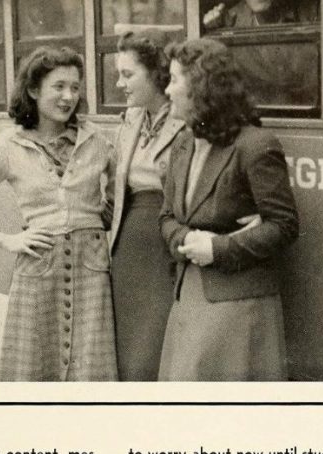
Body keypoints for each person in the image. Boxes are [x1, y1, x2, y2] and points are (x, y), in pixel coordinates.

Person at [0, 47, 117, 382]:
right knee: (31, 378)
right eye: (59, 87)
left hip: (92, 274)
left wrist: (93, 224)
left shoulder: (96, 140)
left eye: (75, 88)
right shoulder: (9, 145)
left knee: (92, 383)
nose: (69, 97)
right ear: (34, 90)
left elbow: (118, 198)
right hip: (38, 272)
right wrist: (6, 239)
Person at [158, 38, 299, 381]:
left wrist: (217, 248)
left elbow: (284, 225)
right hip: (189, 297)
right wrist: (187, 238)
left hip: (237, 305)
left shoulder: (255, 145)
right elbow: (165, 216)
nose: (167, 89)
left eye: (175, 80)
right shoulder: (183, 142)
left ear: (200, 87)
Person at [109, 33, 185, 380]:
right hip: (128, 242)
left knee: (157, 344)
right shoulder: (130, 119)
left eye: (127, 74)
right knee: (127, 344)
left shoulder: (187, 120)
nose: (119, 83)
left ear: (156, 74)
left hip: (167, 242)